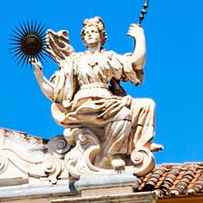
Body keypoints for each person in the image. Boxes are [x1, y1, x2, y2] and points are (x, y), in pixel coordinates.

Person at [33, 16, 160, 174]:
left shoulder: (108, 58)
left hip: (108, 101)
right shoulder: (75, 60)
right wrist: (39, 74)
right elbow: (55, 93)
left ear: (101, 36)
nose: (90, 34)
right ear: (83, 39)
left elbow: (136, 63)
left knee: (147, 104)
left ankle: (141, 146)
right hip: (84, 104)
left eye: (93, 31)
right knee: (124, 114)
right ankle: (113, 154)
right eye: (87, 32)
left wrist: (139, 37)